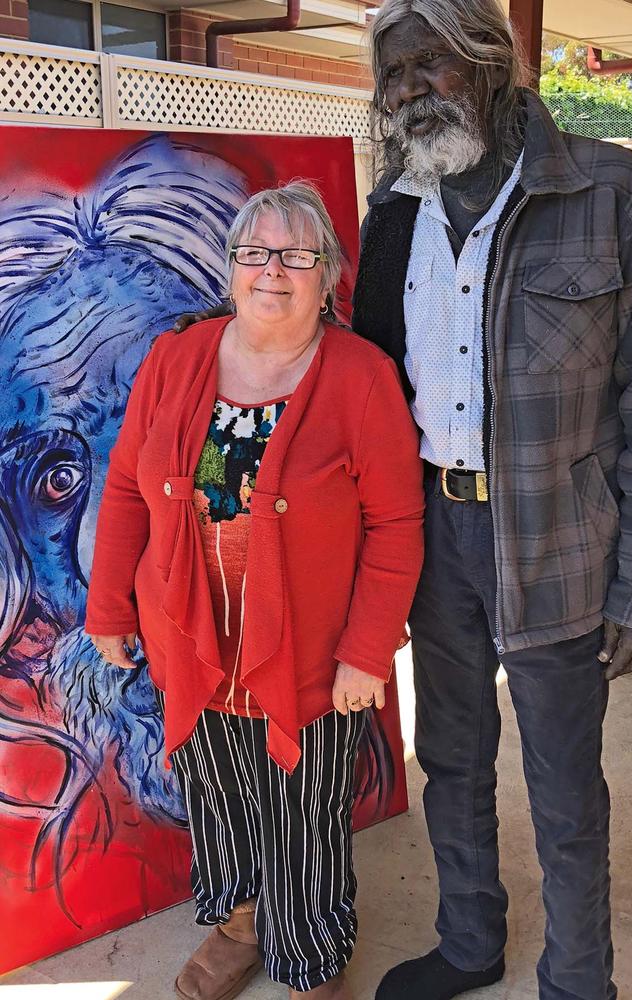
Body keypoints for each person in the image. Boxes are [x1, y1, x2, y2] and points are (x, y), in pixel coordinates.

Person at [352, 2, 632, 999]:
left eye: (425, 64)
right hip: (434, 532)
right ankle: (470, 942)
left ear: (488, 61)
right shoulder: (393, 206)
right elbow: (371, 391)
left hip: (558, 533)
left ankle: (577, 982)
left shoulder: (608, 192)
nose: (405, 90)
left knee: (565, 787)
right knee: (450, 758)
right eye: (392, 74)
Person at [85, 181, 424, 1000]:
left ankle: (310, 954)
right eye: (255, 252)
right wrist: (109, 609)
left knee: (305, 818)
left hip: (312, 657)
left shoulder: (361, 377)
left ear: (328, 273)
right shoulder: (177, 358)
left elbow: (397, 526)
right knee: (219, 797)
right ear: (232, 266)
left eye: (297, 254)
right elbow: (129, 487)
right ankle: (239, 928)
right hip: (190, 643)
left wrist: (365, 652)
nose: (273, 270)